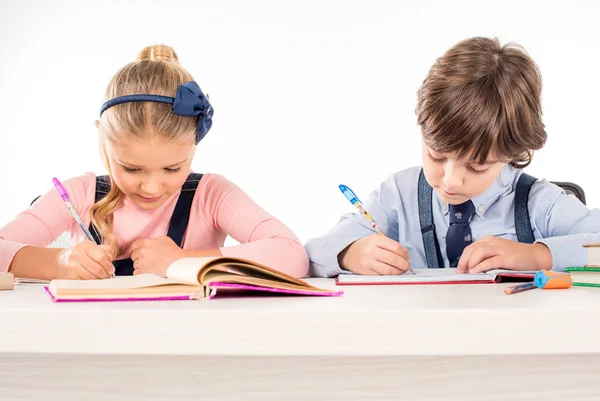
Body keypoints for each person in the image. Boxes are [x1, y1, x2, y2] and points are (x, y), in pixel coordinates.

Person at [0, 44, 308, 280]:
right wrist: (59, 262)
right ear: (102, 140)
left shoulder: (211, 195)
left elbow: (292, 254)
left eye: (173, 168)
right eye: (131, 168)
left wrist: (184, 261)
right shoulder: (79, 193)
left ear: (194, 147)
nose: (151, 186)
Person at [305, 37, 600, 277]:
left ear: (511, 153)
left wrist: (538, 255)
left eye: (477, 166)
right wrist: (349, 254)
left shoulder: (539, 203)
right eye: (436, 156)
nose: (450, 180)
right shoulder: (398, 196)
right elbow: (314, 251)